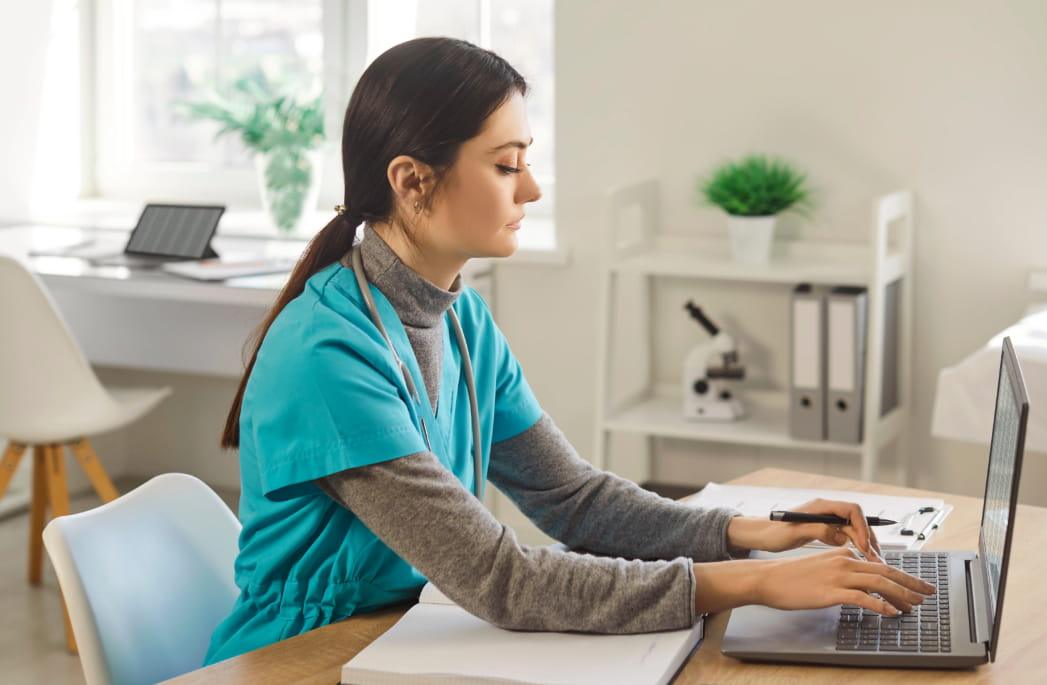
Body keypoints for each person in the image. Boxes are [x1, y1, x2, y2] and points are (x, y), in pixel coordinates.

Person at [204, 36, 934, 666]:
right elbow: (500, 578)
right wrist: (751, 583)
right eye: (505, 164)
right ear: (411, 181)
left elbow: (574, 500)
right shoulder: (328, 355)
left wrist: (757, 535)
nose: (534, 187)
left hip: (402, 637)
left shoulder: (464, 323)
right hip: (300, 658)